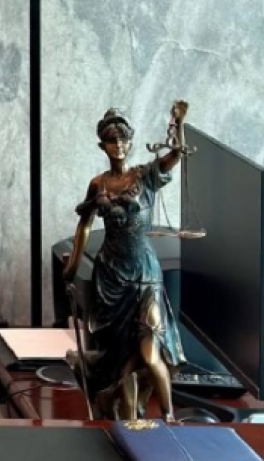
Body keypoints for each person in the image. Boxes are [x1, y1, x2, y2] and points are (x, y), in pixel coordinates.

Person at [63, 103, 189, 421]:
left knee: (150, 353)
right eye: (111, 140)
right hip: (110, 277)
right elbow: (84, 223)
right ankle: (127, 418)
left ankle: (171, 418)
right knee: (119, 356)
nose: (118, 146)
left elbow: (176, 155)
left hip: (145, 276)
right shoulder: (98, 184)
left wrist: (178, 125)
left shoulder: (144, 176)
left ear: (131, 143)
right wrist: (72, 266)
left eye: (123, 140)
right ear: (102, 146)